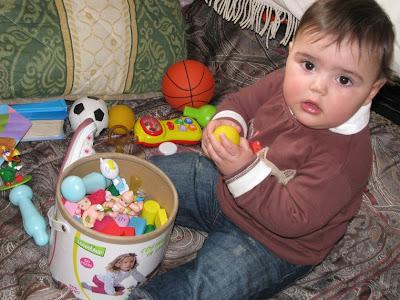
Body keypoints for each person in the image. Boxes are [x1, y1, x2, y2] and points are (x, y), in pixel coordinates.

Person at [130, 0, 395, 299]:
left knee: (209, 286)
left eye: (344, 79)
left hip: (273, 243)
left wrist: (241, 168)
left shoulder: (344, 159)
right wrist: (224, 122)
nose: (318, 86)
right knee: (157, 173)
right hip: (226, 191)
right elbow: (240, 103)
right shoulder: (285, 81)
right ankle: (107, 194)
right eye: (308, 65)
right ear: (292, 51)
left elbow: (291, 218)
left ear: (371, 90)